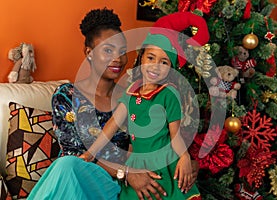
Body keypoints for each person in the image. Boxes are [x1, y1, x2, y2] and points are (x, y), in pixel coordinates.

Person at [28, 8, 200, 200]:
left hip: (121, 186)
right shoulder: (67, 96)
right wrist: (125, 173)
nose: (117, 58)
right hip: (84, 179)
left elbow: (161, 136)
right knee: (66, 165)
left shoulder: (133, 95)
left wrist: (186, 163)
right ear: (89, 53)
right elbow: (75, 154)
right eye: (108, 50)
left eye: (122, 51)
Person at [80, 11, 210, 200]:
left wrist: (184, 157)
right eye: (150, 58)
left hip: (164, 162)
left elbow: (176, 135)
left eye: (164, 62)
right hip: (138, 163)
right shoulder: (131, 93)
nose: (155, 66)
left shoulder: (168, 95)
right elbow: (112, 125)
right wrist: (90, 153)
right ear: (141, 59)